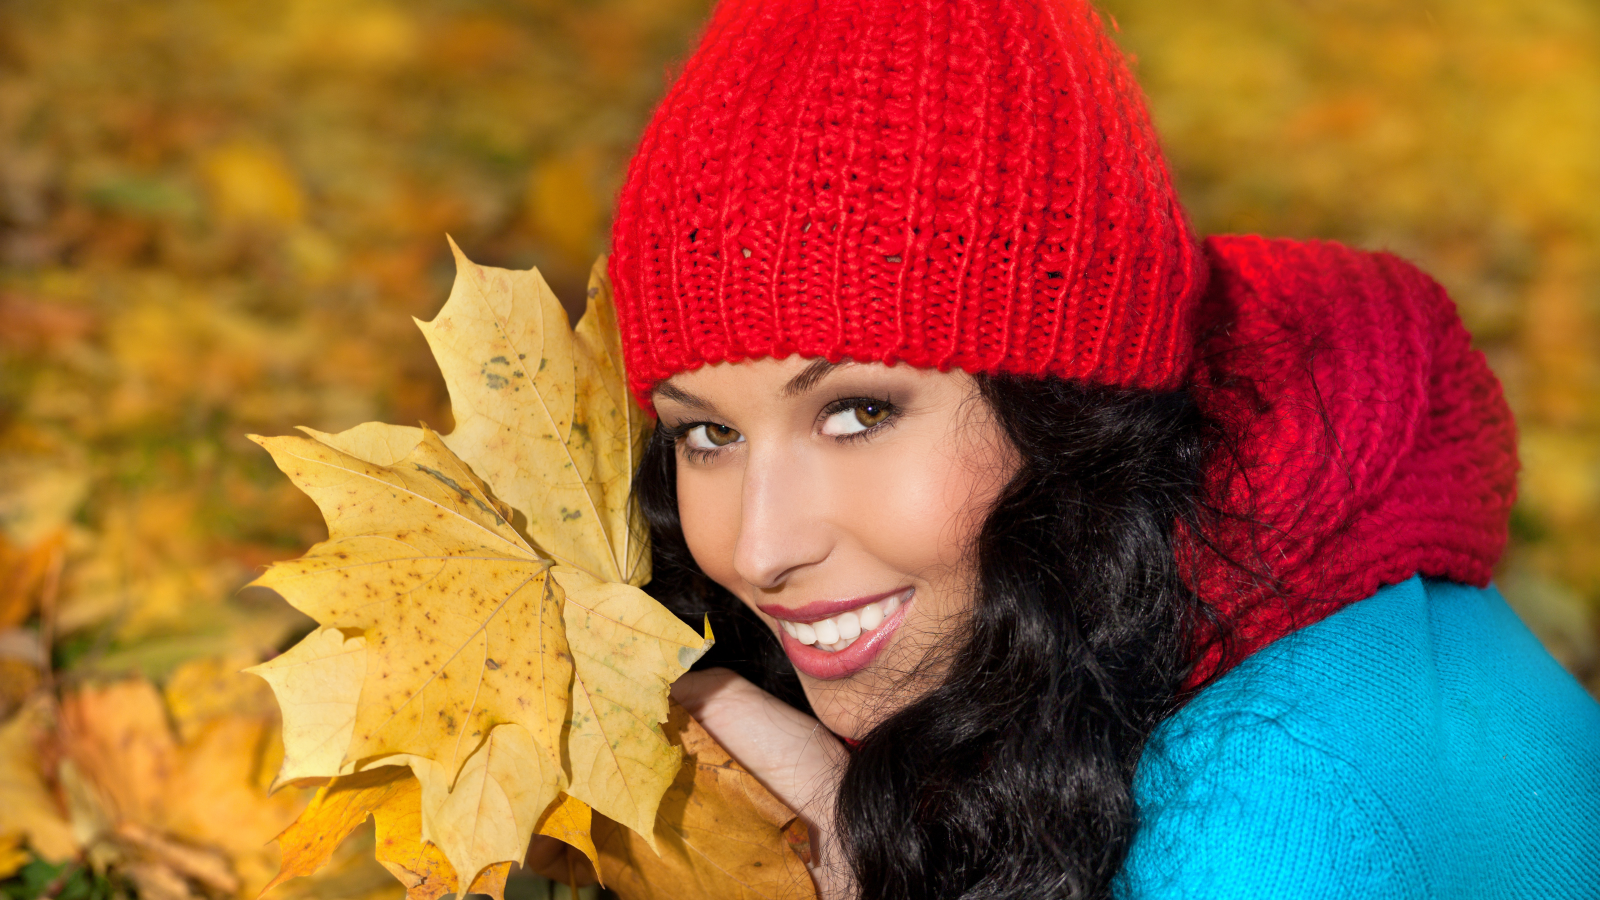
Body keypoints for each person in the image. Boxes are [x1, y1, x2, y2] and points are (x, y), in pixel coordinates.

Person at [596, 0, 1600, 897]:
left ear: (1063, 410)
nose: (760, 547)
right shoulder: (1194, 598)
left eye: (858, 412)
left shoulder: (1262, 819)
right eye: (707, 433)